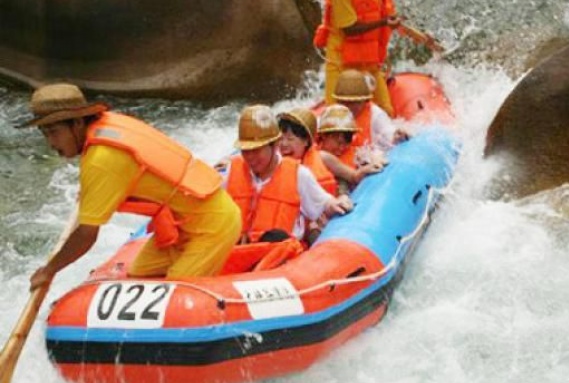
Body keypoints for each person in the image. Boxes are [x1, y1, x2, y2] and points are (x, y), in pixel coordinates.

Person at [23, 83, 241, 290]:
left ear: (78, 123)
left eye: (54, 132)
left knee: (174, 291)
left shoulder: (102, 159)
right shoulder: (107, 124)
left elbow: (87, 235)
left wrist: (49, 270)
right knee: (139, 271)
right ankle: (199, 267)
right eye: (45, 134)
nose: (51, 143)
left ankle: (204, 275)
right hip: (183, 222)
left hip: (212, 225)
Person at [223, 105, 353, 244]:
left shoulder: (299, 175)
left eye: (257, 150)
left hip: (281, 256)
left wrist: (338, 201)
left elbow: (325, 203)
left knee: (276, 236)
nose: (250, 157)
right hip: (239, 255)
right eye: (245, 150)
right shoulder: (233, 169)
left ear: (274, 145)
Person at [313, 0, 401, 117]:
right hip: (342, 61)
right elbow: (349, 29)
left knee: (387, 111)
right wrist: (384, 22)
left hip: (368, 60)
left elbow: (385, 17)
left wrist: (391, 22)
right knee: (336, 117)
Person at [333, 69, 407, 154]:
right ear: (338, 101)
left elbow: (388, 132)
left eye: (354, 102)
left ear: (365, 101)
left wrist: (396, 136)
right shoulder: (333, 114)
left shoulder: (376, 115)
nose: (349, 107)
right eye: (345, 102)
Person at [317, 104, 383, 194]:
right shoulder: (320, 156)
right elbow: (353, 176)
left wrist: (376, 158)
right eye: (339, 142)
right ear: (323, 136)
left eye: (346, 143)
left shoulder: (356, 153)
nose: (342, 148)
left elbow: (375, 153)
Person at [277, 108, 337, 195]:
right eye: (281, 138)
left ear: (306, 141)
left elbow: (353, 176)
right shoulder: (271, 164)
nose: (284, 144)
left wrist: (343, 194)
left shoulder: (323, 157)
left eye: (290, 139)